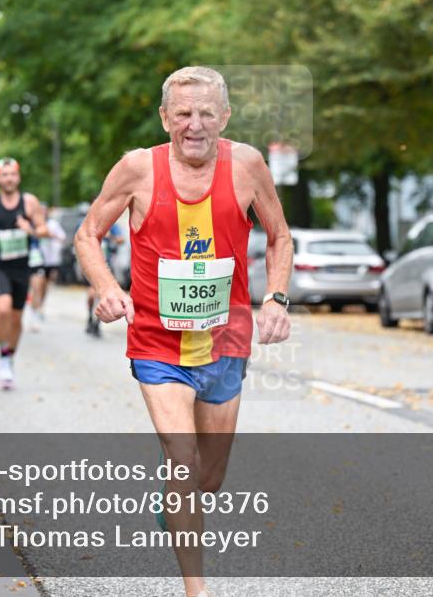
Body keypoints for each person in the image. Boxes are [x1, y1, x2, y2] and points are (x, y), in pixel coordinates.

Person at [74, 66, 293, 597]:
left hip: (226, 342)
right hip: (156, 342)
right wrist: (106, 287)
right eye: (183, 114)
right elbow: (87, 235)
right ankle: (198, 590)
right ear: (165, 118)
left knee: (209, 477)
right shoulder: (136, 169)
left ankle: (172, 497)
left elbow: (280, 237)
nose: (194, 125)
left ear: (225, 117)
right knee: (184, 459)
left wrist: (277, 299)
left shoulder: (246, 165)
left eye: (205, 113)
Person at [0, 158, 48, 389]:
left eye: (12, 174)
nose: (8, 178)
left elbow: (44, 229)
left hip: (21, 268)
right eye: (4, 175)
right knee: (3, 308)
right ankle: (3, 352)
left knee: (17, 317)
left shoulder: (29, 202)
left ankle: (8, 358)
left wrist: (32, 230)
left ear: (18, 177)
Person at [84, 220, 124, 338]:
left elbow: (121, 240)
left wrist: (110, 236)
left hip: (106, 265)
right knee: (92, 294)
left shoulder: (112, 225)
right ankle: (90, 318)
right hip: (92, 264)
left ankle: (96, 324)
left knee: (102, 295)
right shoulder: (89, 222)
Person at [30, 204, 67, 322]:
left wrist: (52, 235)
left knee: (45, 285)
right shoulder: (32, 224)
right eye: (40, 211)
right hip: (36, 260)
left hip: (51, 260)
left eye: (44, 211)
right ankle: (34, 311)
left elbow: (62, 237)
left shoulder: (53, 224)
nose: (42, 213)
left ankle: (41, 306)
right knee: (37, 285)